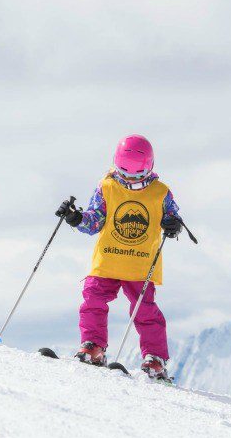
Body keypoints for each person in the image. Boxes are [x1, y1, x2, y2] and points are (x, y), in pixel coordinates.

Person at [55, 134, 185, 381]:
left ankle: (155, 359)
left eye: (137, 177)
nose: (129, 181)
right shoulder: (107, 186)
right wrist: (76, 218)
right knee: (92, 299)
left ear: (149, 168)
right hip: (108, 260)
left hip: (140, 264)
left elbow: (174, 218)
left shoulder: (160, 192)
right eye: (124, 175)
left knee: (145, 311)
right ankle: (93, 346)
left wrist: (172, 224)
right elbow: (94, 221)